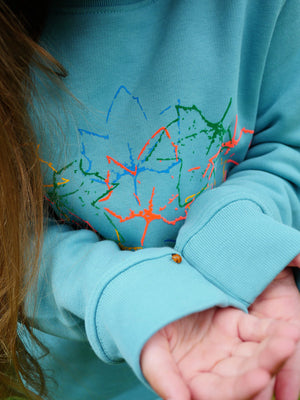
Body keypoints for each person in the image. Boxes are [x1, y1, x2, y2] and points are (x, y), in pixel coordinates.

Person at [0, 0, 300, 399]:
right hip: (70, 378)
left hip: (243, 336)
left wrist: (236, 237)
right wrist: (118, 291)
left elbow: (285, 142)